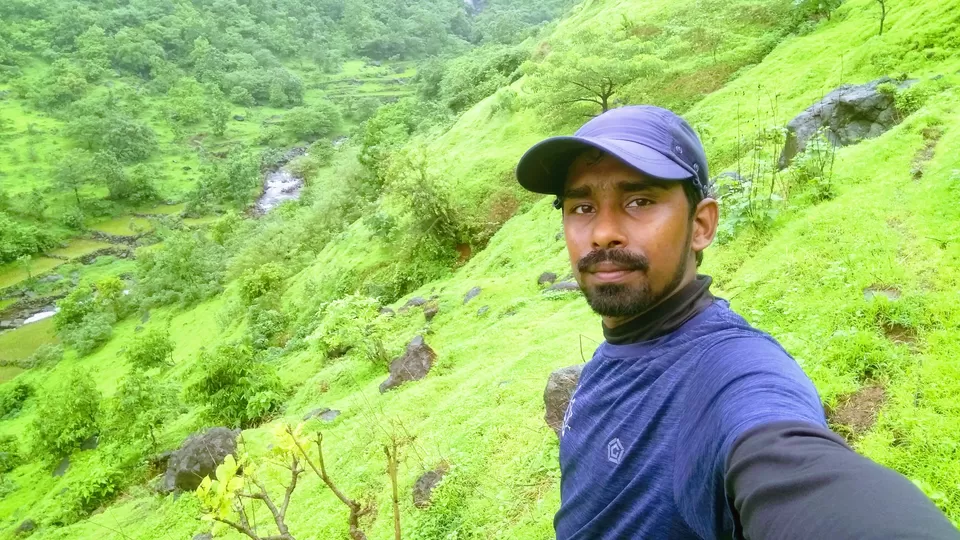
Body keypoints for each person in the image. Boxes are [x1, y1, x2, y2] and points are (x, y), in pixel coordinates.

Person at [514, 105, 960, 539]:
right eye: (582, 207)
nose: (602, 232)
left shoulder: (731, 371)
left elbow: (800, 473)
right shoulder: (621, 344)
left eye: (640, 200)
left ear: (701, 225)